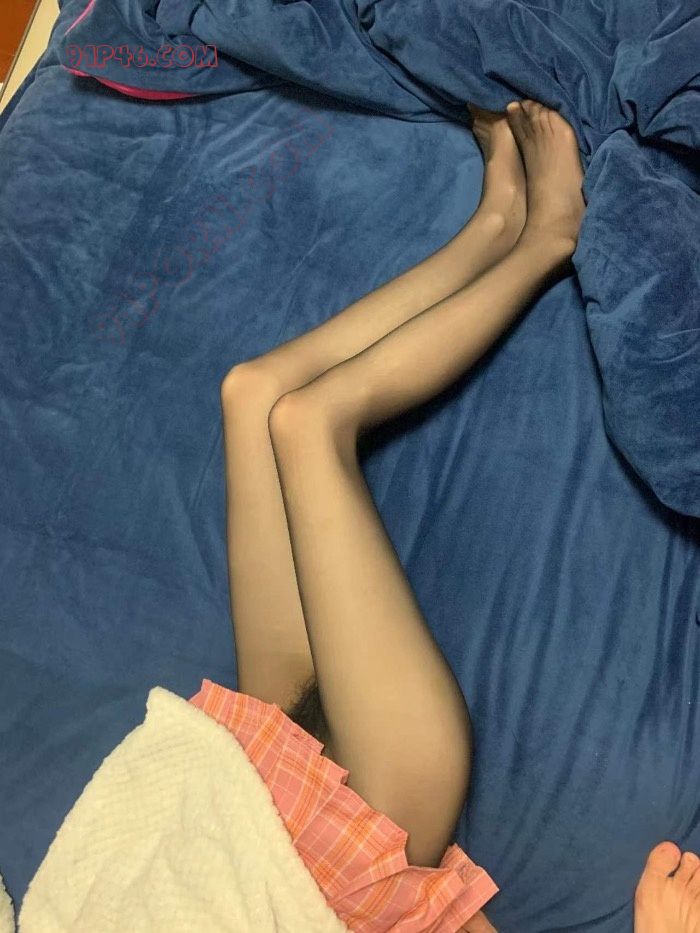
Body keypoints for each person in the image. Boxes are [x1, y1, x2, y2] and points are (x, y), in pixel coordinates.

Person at [218, 98, 700, 931]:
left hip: (253, 794)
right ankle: (547, 235)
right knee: (309, 424)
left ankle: (495, 223)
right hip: (380, 828)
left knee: (252, 393)